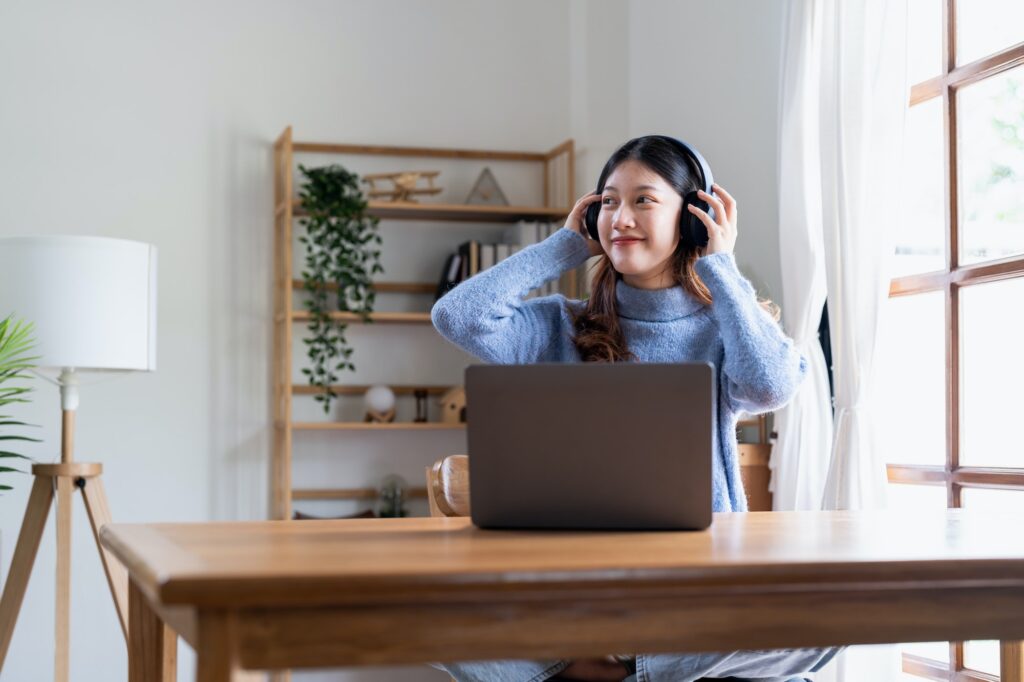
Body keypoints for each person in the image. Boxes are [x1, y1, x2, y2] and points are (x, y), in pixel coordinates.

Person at [429, 135, 841, 682]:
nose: (620, 217)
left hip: (698, 591)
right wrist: (564, 246)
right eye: (608, 201)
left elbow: (771, 385)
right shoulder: (558, 325)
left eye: (643, 200)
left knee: (832, 619)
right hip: (573, 594)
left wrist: (722, 266)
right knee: (432, 622)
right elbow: (457, 316)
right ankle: (638, 665)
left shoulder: (728, 326)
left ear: (694, 218)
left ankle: (617, 668)